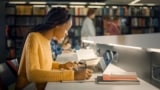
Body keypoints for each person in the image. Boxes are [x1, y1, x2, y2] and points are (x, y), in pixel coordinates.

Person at [15, 7, 92, 90]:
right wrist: (73, 75)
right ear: (57, 25)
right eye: (66, 29)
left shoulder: (46, 40)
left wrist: (61, 65)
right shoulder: (33, 37)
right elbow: (33, 74)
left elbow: (47, 64)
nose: (66, 34)